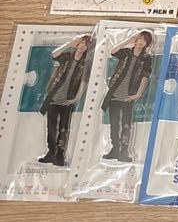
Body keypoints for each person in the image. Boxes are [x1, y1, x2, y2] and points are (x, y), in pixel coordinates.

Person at [38, 33, 93, 166]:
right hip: (54, 97)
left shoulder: (86, 63)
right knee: (51, 127)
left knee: (63, 128)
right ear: (78, 43)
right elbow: (54, 55)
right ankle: (51, 153)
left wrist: (76, 98)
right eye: (82, 42)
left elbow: (84, 82)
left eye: (86, 45)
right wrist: (69, 44)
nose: (83, 46)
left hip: (68, 100)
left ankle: (60, 155)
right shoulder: (68, 56)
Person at [101, 30, 154, 163]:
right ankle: (114, 150)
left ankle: (124, 152)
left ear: (147, 44)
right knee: (114, 124)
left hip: (128, 96)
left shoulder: (146, 58)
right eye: (139, 38)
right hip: (114, 93)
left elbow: (145, 76)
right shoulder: (126, 52)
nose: (141, 41)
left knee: (126, 125)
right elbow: (113, 52)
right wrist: (129, 40)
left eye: (144, 40)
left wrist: (138, 94)